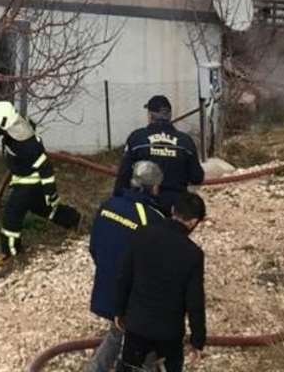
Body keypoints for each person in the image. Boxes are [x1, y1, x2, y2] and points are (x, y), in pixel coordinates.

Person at [113, 192, 207, 372]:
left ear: (173, 210)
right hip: (169, 332)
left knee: (128, 366)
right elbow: (195, 301)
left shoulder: (142, 234)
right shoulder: (193, 254)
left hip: (136, 324)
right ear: (194, 222)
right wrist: (198, 341)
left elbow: (125, 275)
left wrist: (118, 309)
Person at [87, 161, 165, 372]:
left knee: (118, 332)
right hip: (131, 297)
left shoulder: (108, 205)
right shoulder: (152, 218)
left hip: (105, 287)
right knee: (143, 341)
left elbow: (94, 247)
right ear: (154, 187)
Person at [0, 100, 81, 269]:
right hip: (30, 184)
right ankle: (73, 219)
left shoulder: (23, 143)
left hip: (27, 186)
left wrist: (51, 192)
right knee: (44, 209)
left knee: (11, 216)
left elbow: (45, 167)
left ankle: (11, 253)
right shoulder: (17, 131)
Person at [114, 95, 203, 214]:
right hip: (175, 208)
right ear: (170, 116)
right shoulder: (185, 142)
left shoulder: (137, 138)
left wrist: (116, 203)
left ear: (150, 116)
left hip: (144, 206)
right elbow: (197, 177)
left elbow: (123, 176)